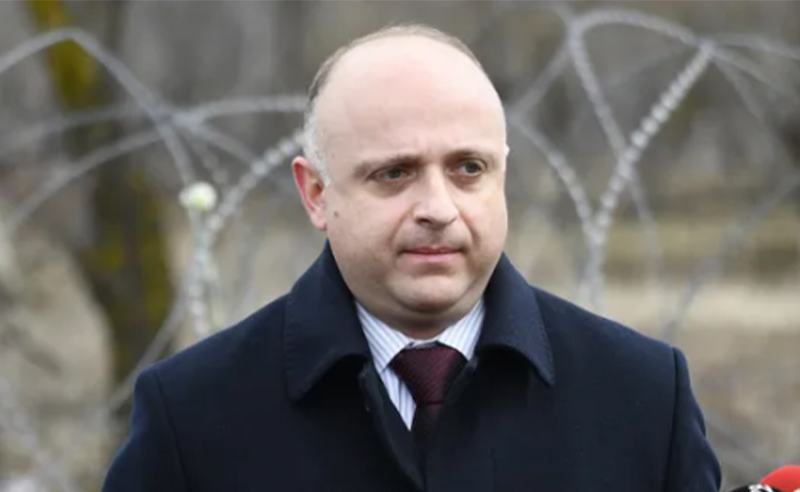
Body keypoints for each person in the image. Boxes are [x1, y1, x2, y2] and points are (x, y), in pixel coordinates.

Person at [101, 24, 722, 492]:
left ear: (502, 175)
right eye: (395, 173)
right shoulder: (193, 415)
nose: (438, 208)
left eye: (468, 168)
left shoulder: (643, 396)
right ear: (316, 193)